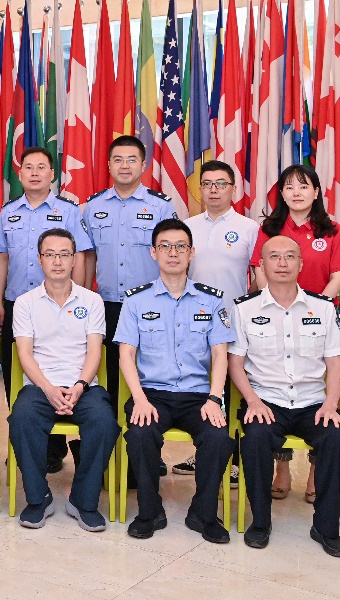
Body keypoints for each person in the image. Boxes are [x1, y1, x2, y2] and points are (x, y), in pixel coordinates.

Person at [230, 236, 340, 557]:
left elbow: (336, 363)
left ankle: (325, 527)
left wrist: (331, 404)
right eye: (274, 257)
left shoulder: (322, 308)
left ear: (301, 264)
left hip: (313, 403)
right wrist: (252, 400)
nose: (282, 263)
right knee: (255, 440)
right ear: (262, 265)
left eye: (289, 256)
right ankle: (260, 523)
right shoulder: (244, 309)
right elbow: (235, 363)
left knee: (336, 441)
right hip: (266, 401)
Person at [114, 218, 235, 543]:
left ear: (191, 252)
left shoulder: (211, 300)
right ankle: (149, 512)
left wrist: (215, 399)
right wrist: (139, 400)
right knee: (140, 433)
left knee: (218, 437)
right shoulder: (136, 301)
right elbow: (126, 355)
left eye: (181, 246)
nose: (173, 253)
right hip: (152, 394)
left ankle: (203, 514)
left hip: (198, 396)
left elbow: (220, 354)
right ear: (153, 252)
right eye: (165, 246)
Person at [250, 164, 340, 503]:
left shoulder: (333, 230)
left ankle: (314, 471)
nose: (297, 192)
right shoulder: (269, 229)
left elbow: (339, 275)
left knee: (315, 394)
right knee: (278, 390)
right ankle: (281, 468)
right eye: (290, 187)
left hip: (317, 320)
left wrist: (315, 306)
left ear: (316, 192)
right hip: (273, 317)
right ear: (281, 193)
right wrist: (273, 303)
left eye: (304, 186)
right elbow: (259, 271)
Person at [8, 228, 119, 531]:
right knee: (21, 419)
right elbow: (25, 354)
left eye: (64, 255)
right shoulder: (25, 303)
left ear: (73, 259)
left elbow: (95, 352)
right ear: (40, 259)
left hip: (84, 386)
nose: (57, 261)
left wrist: (80, 386)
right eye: (50, 254)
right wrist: (48, 388)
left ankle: (83, 500)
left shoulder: (92, 301)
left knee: (105, 422)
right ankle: (38, 498)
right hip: (40, 386)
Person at [0, 146, 93, 473]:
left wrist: (79, 298)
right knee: (17, 374)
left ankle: (64, 443)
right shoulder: (9, 212)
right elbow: (2, 258)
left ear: (52, 174)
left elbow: (79, 255)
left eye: (41, 167)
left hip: (61, 304)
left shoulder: (68, 210)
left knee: (62, 367)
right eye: (28, 167)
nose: (34, 173)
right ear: (19, 173)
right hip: (18, 304)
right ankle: (30, 441)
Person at [173, 160, 260, 482]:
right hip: (192, 323)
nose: (214, 190)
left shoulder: (249, 228)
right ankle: (203, 453)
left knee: (232, 389)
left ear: (233, 189)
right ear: (200, 189)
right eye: (208, 184)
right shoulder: (187, 227)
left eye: (221, 184)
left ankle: (234, 459)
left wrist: (243, 306)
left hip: (233, 323)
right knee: (202, 388)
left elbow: (258, 276)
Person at [82, 135, 179, 414]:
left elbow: (173, 256)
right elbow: (88, 256)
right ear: (109, 165)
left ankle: (146, 434)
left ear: (143, 165)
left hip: (151, 303)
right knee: (110, 372)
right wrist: (85, 296)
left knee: (150, 371)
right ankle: (111, 435)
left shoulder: (161, 206)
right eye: (118, 160)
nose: (124, 166)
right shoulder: (94, 206)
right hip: (107, 303)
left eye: (131, 160)